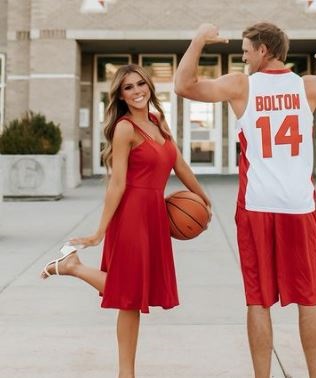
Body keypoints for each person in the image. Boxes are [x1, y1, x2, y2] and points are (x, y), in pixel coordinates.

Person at [175, 23, 316, 378]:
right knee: (310, 299)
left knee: (258, 300)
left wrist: (199, 38)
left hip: (256, 206)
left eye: (247, 49)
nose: (244, 55)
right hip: (299, 206)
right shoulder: (306, 85)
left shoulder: (241, 84)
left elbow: (183, 85)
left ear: (263, 50)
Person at [40, 63, 211, 378]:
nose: (137, 91)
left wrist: (204, 199)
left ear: (149, 86)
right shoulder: (124, 129)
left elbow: (180, 165)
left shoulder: (159, 123)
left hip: (155, 216)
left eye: (140, 84)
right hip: (131, 215)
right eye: (128, 87)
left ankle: (72, 268)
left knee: (134, 298)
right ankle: (73, 268)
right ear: (120, 95)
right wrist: (98, 232)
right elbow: (117, 183)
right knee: (129, 293)